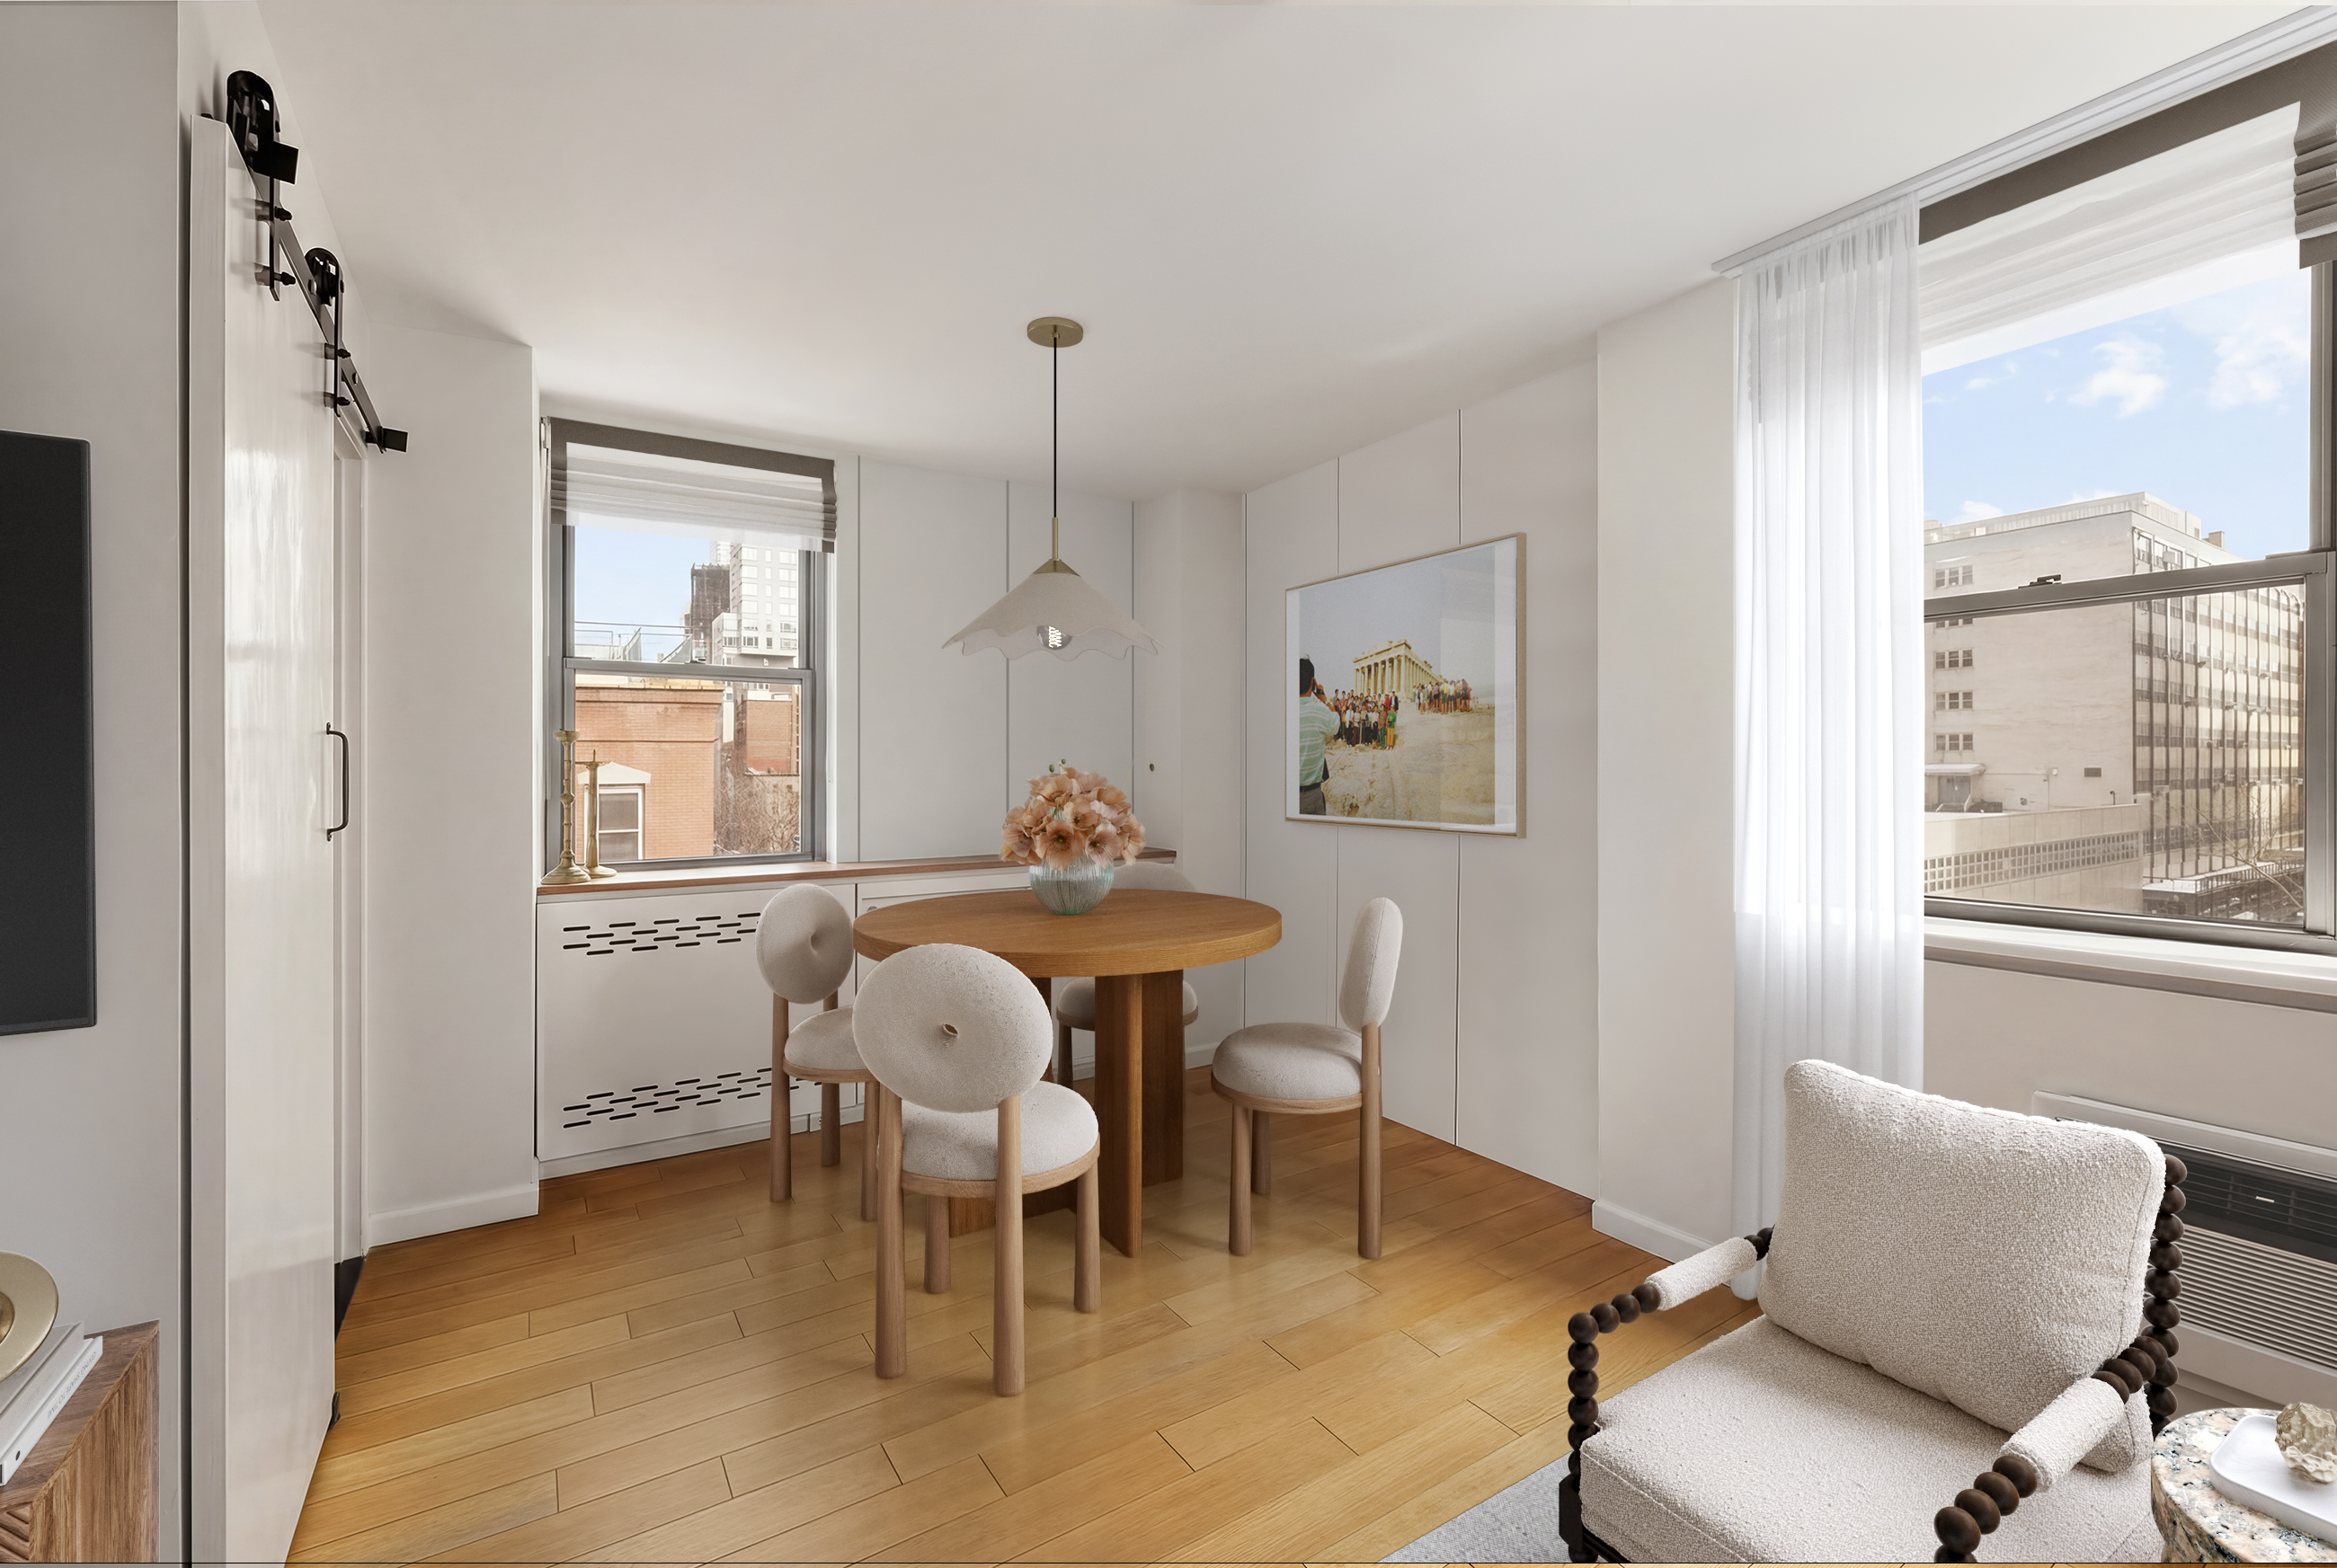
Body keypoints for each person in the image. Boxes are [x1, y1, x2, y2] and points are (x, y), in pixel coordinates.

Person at [1296, 658, 1336, 816]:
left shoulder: (1283, 710)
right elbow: (1336, 723)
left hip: (1285, 794)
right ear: (1313, 683)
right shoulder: (1320, 711)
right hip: (1311, 797)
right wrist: (1324, 698)